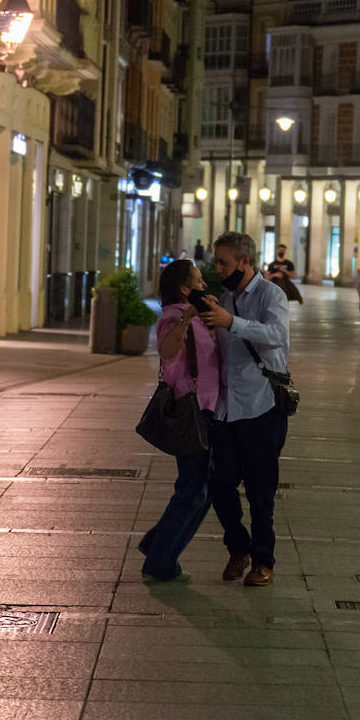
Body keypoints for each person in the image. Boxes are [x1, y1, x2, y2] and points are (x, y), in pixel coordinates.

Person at [197, 231, 291, 587]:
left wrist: (231, 322)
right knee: (220, 485)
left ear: (245, 262)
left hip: (262, 406)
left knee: (260, 490)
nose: (218, 269)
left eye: (224, 262)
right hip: (226, 408)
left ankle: (263, 562)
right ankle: (238, 547)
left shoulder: (271, 295)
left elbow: (276, 335)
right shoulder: (224, 299)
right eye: (217, 262)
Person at [137, 259, 222, 583]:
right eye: (199, 280)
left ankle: (157, 545)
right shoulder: (173, 316)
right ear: (185, 288)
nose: (205, 285)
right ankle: (160, 560)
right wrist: (188, 316)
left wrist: (212, 318)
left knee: (204, 488)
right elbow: (167, 350)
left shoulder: (199, 315)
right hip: (191, 410)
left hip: (210, 407)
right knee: (192, 490)